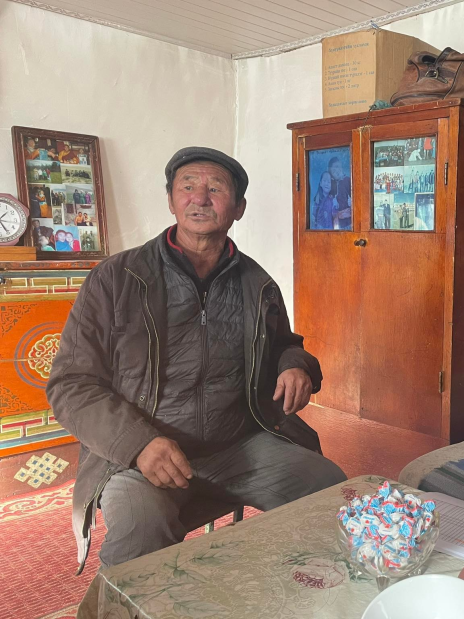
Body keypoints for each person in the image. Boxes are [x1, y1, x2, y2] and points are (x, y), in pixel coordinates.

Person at [47, 146, 346, 574]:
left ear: (238, 208)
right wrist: (138, 444)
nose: (200, 198)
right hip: (140, 455)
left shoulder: (256, 283)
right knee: (139, 538)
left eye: (216, 188)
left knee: (330, 491)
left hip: (237, 445)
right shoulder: (115, 279)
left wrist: (294, 363)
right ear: (171, 201)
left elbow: (284, 343)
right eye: (187, 186)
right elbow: (71, 384)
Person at [328, 158, 351, 230]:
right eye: (336, 167)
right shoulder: (328, 182)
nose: (338, 169)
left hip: (347, 222)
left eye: (340, 167)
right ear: (330, 169)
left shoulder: (347, 180)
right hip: (331, 223)